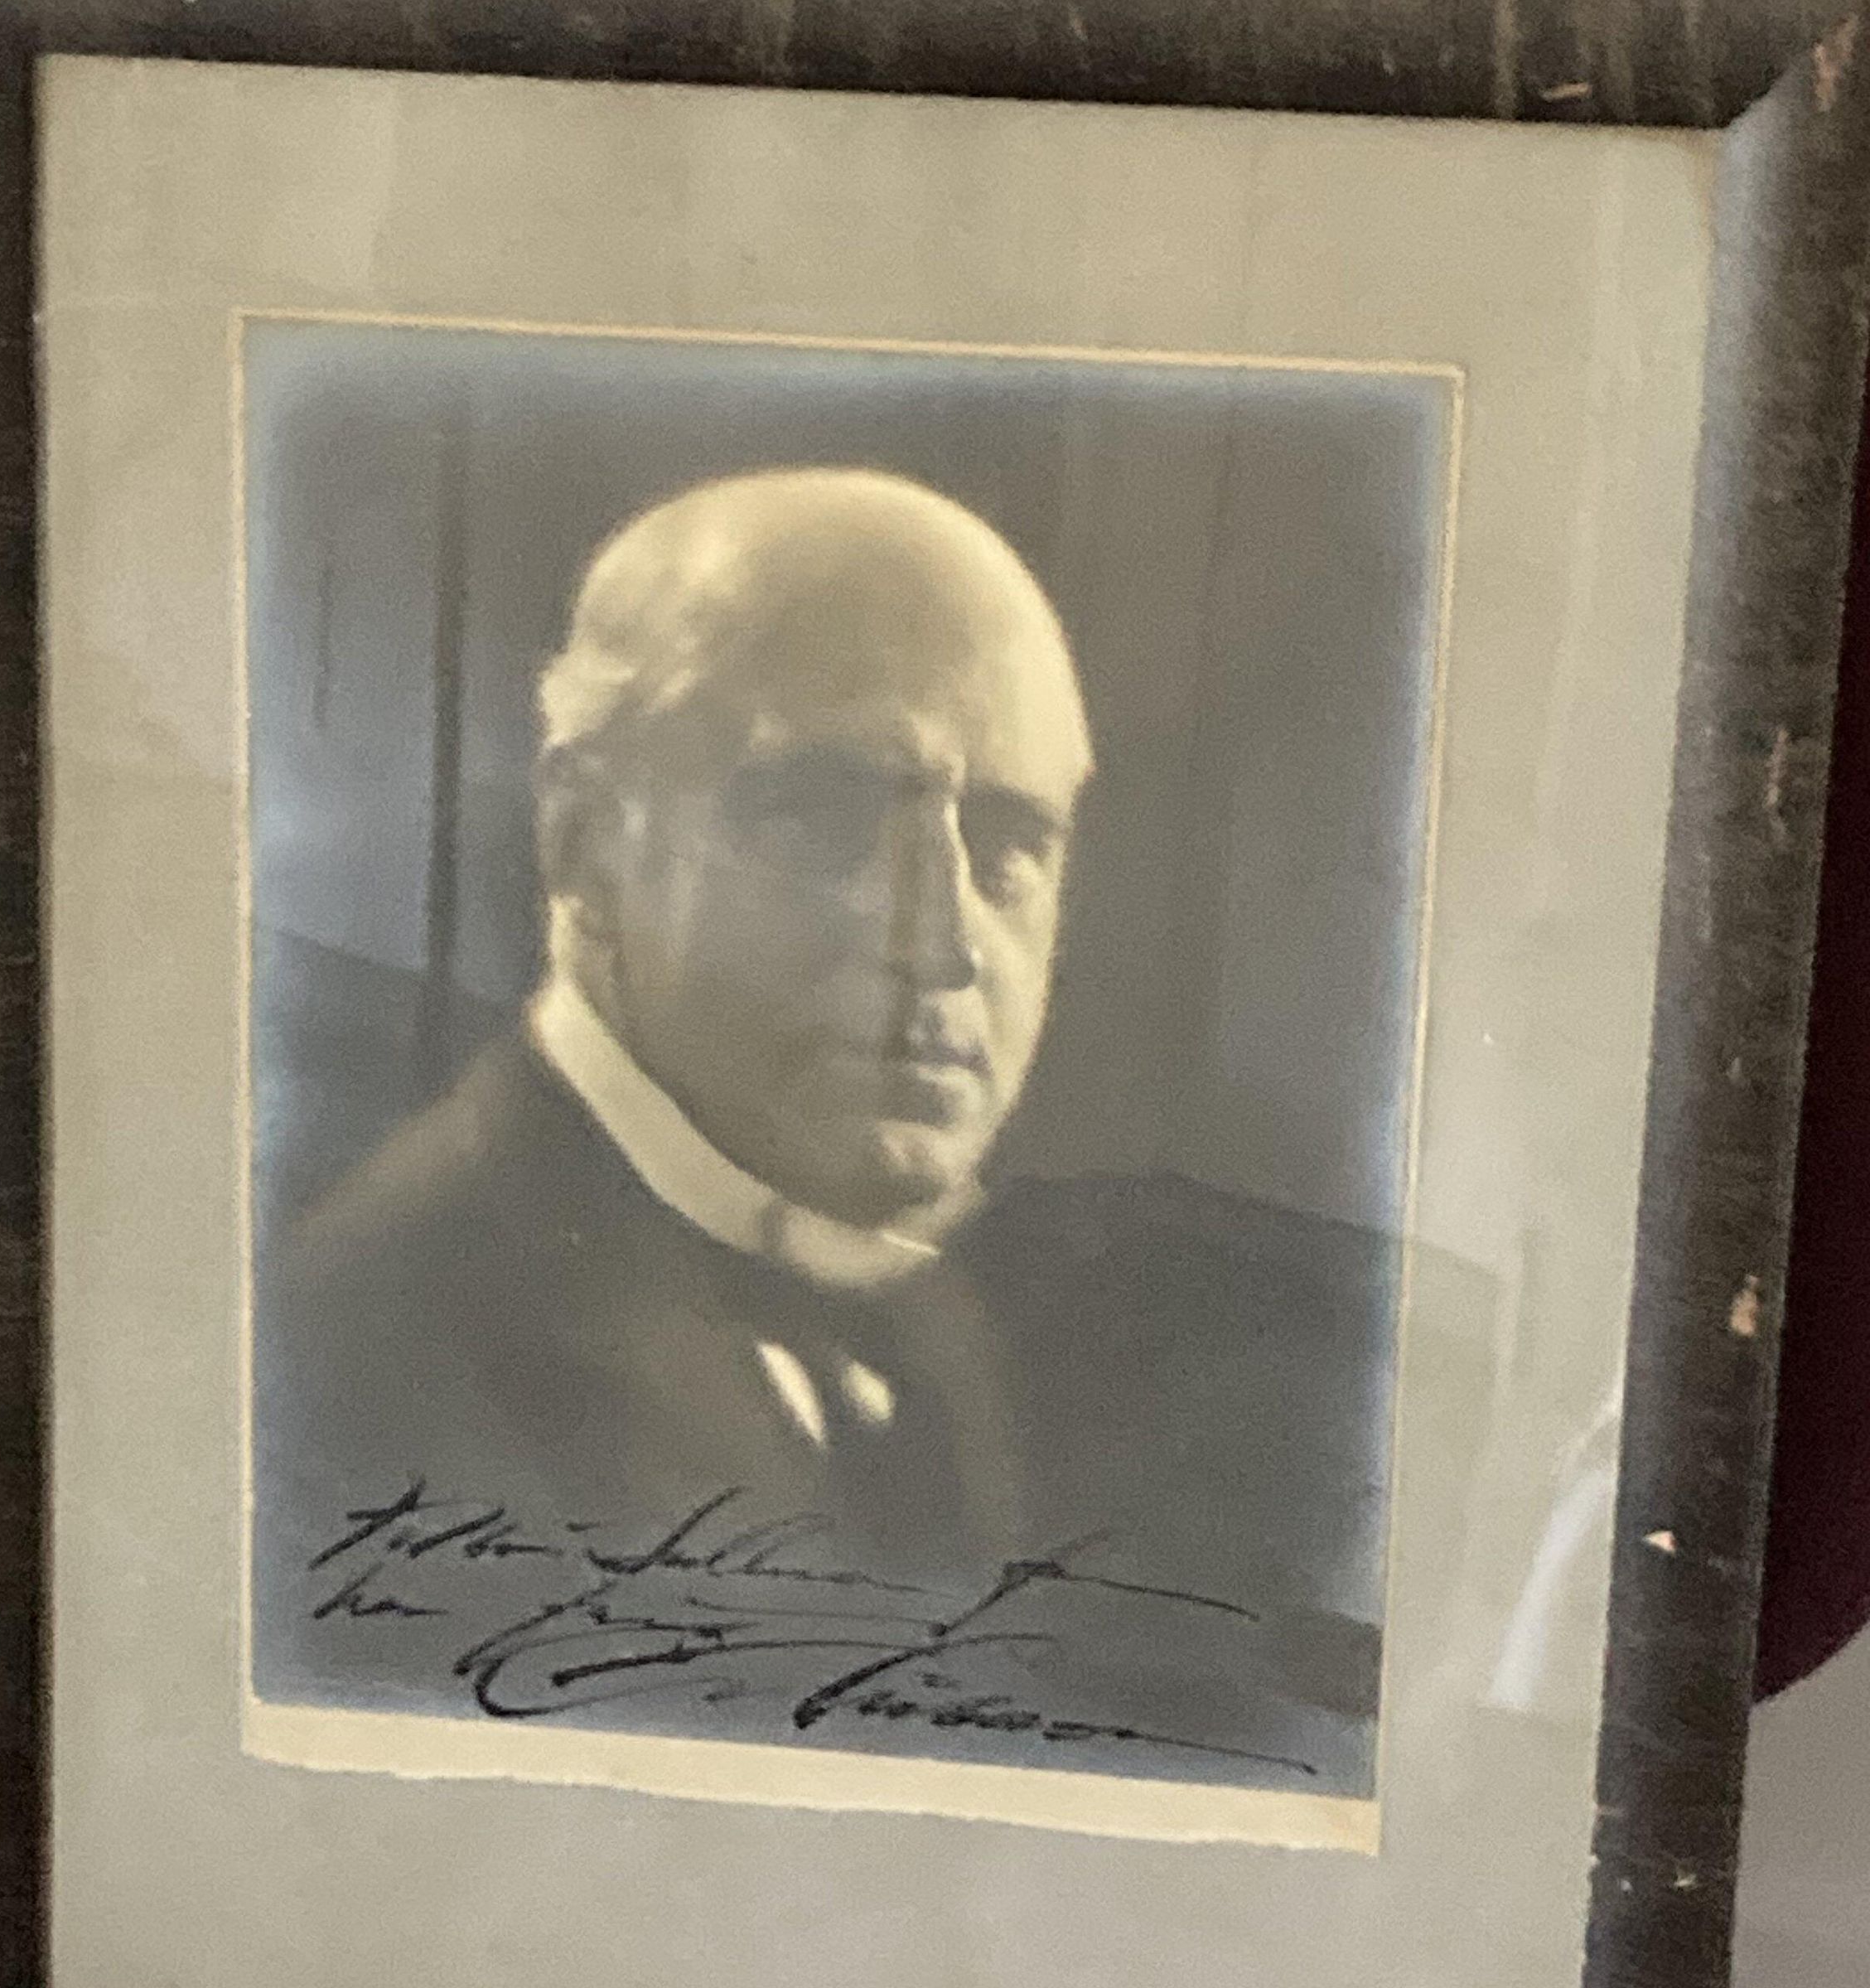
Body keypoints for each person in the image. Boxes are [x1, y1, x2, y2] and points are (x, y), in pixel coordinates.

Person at [254, 468, 1397, 1792]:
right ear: (583, 843)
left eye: (1008, 843)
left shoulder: (920, 1306)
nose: (946, 944)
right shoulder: (350, 1359)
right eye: (821, 818)